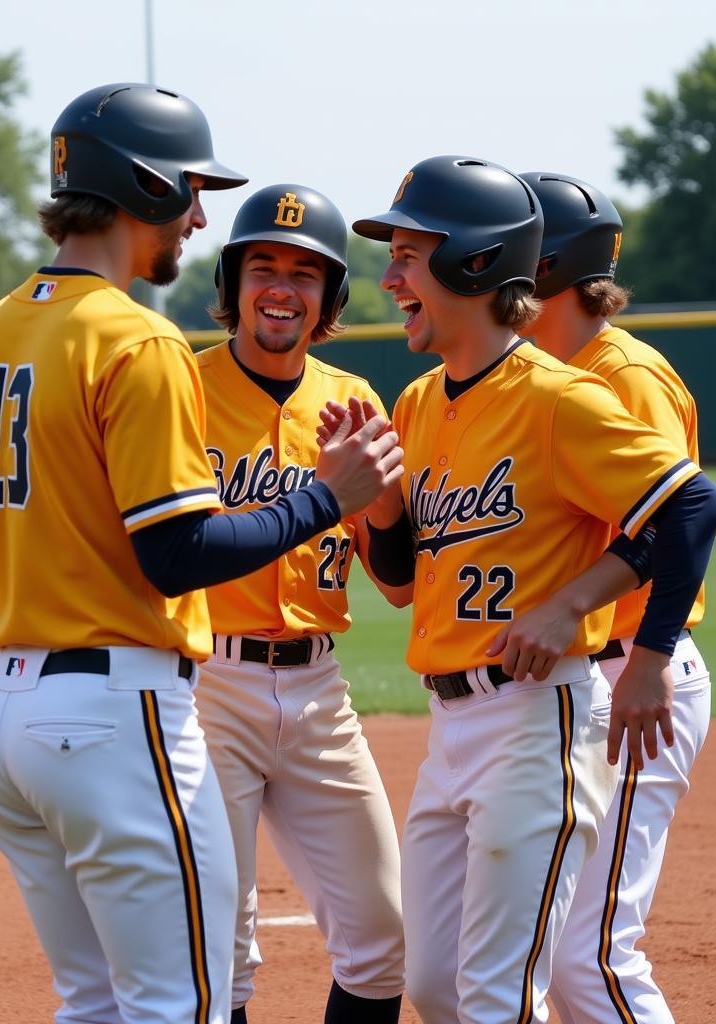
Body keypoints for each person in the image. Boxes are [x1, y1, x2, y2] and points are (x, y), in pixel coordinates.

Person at [0, 84, 403, 1024]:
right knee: (180, 999)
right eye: (188, 189)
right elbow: (177, 555)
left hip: (7, 720)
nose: (196, 213)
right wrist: (328, 497)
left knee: (99, 1002)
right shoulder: (140, 339)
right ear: (138, 184)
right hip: (118, 707)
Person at [345, 154, 716, 1023]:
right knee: (434, 986)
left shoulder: (562, 397)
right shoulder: (419, 403)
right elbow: (398, 583)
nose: (390, 275)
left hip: (533, 713)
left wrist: (612, 628)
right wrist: (374, 503)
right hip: (449, 724)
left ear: (475, 264)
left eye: (408, 254)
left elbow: (689, 503)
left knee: (507, 990)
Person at [193, 183, 405, 1024]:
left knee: (385, 939)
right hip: (205, 683)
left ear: (330, 298)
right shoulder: (175, 385)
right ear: (233, 283)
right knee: (222, 948)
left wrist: (379, 500)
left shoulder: (353, 399)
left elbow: (394, 578)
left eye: (305, 273)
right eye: (264, 267)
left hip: (320, 692)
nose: (282, 286)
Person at [516, 171, 709, 1024]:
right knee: (558, 947)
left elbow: (680, 516)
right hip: (599, 677)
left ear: (546, 264)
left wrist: (651, 658)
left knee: (588, 956)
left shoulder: (621, 373)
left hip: (638, 677)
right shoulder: (551, 371)